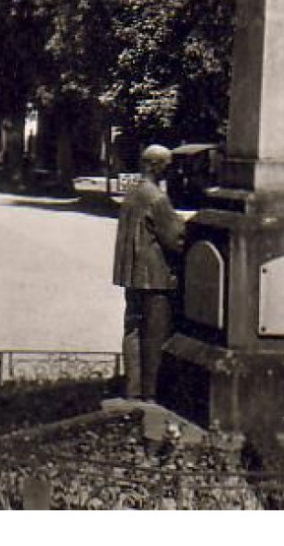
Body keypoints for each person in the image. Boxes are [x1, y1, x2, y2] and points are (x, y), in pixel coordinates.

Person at [112, 144, 185, 402]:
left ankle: (132, 389)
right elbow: (176, 239)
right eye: (167, 163)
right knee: (155, 336)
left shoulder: (132, 194)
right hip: (155, 278)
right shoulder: (157, 198)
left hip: (132, 276)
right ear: (154, 165)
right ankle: (150, 393)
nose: (170, 168)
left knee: (132, 330)